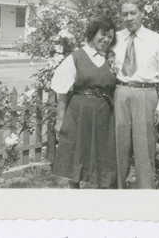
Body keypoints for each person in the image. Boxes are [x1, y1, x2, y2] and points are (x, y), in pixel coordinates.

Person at [113, 0, 159, 189]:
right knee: (118, 149)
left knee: (144, 151)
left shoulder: (155, 39)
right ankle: (116, 193)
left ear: (142, 13)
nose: (129, 18)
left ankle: (145, 197)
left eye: (133, 13)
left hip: (146, 95)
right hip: (120, 93)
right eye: (124, 14)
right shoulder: (115, 38)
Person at [50, 19, 117, 189]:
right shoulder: (76, 58)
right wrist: (60, 120)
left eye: (110, 36)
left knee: (103, 152)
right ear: (93, 34)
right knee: (77, 151)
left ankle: (101, 191)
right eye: (103, 34)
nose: (106, 39)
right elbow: (62, 91)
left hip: (104, 114)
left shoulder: (112, 60)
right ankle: (74, 192)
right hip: (78, 113)